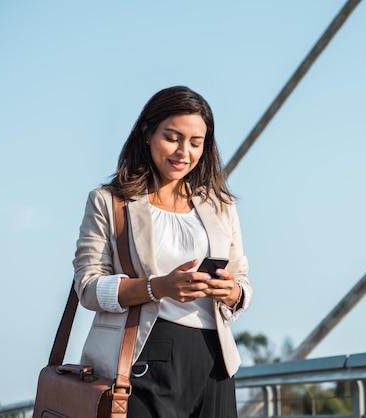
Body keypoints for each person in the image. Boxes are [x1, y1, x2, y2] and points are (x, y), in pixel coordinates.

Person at [73, 86, 252, 417]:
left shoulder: (220, 207)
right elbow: (87, 286)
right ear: (147, 133)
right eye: (173, 137)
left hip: (214, 360)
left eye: (196, 143)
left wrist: (232, 291)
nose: (184, 151)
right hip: (143, 355)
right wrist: (158, 287)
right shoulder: (109, 202)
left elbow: (242, 281)